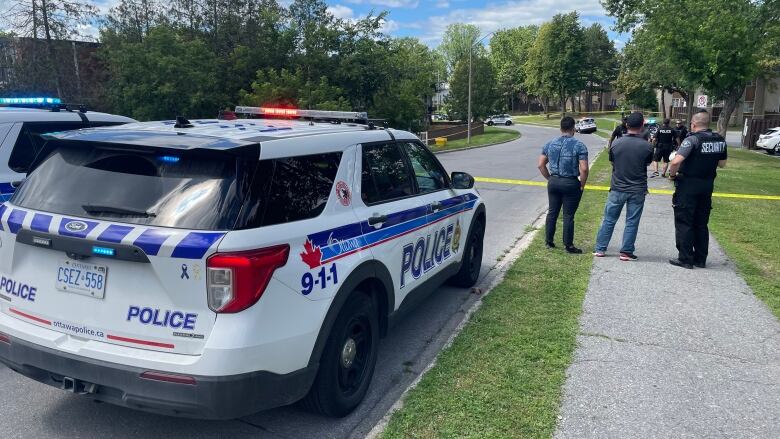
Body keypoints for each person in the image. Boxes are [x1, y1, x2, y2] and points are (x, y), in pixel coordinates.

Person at [668, 110, 727, 269]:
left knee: (685, 221)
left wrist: (672, 175)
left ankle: (685, 258)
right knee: (701, 223)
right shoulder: (720, 140)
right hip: (707, 185)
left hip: (688, 185)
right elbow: (722, 164)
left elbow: (675, 162)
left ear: (693, 124)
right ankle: (700, 258)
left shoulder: (692, 140)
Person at [593, 112, 654, 260]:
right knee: (632, 221)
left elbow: (612, 162)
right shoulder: (647, 146)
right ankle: (626, 252)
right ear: (642, 126)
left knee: (609, 219)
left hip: (617, 187)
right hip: (637, 189)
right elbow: (647, 163)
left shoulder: (615, 144)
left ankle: (600, 248)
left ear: (627, 125)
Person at [538, 116, 589, 254]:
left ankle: (549, 241)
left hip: (554, 181)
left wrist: (549, 178)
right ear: (574, 128)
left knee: (552, 212)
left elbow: (541, 164)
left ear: (560, 128)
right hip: (570, 182)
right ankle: (568, 245)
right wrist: (582, 184)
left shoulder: (550, 144)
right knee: (568, 215)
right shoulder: (579, 145)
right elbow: (583, 169)